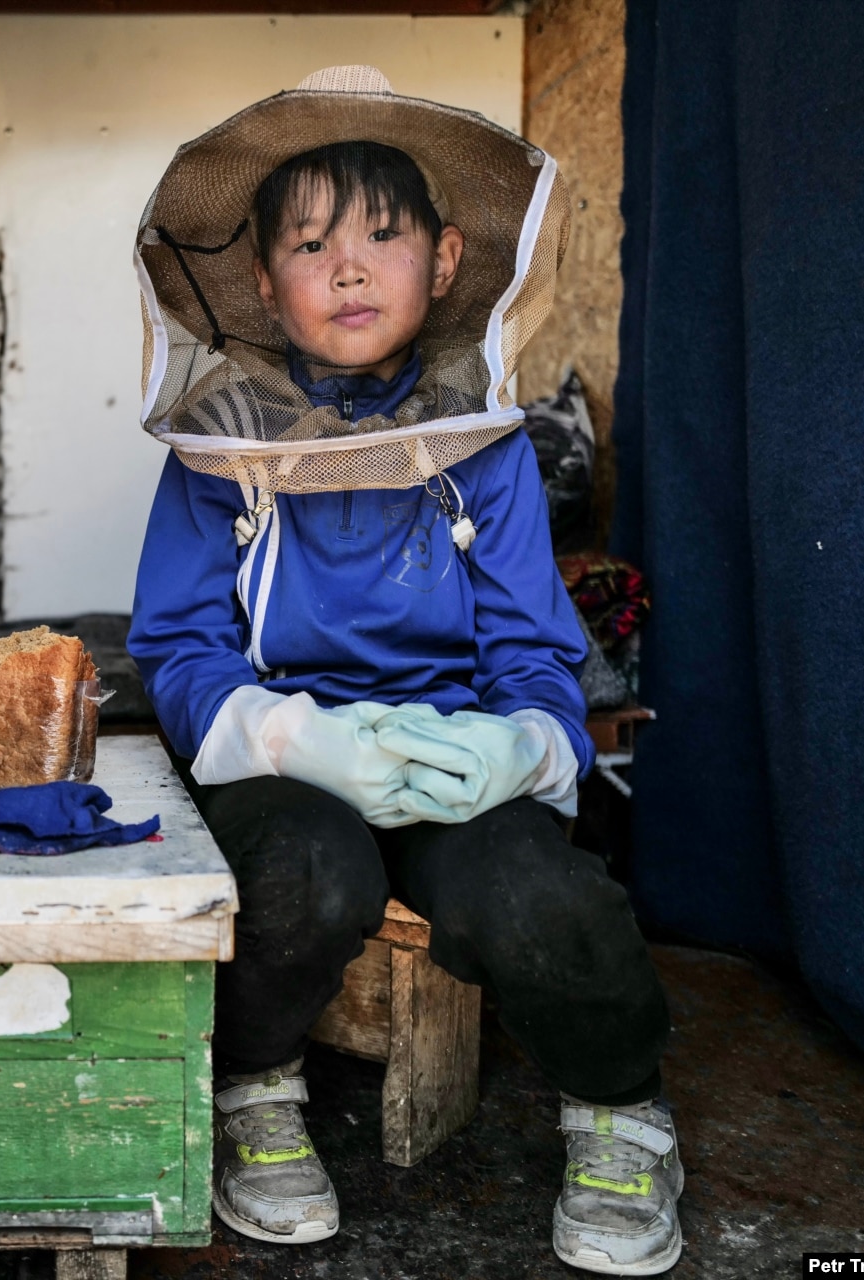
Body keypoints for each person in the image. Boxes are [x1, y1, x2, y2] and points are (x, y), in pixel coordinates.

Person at [127, 67, 683, 1276]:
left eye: (381, 238)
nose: (345, 267)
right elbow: (175, 650)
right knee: (302, 873)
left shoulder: (482, 451)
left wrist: (519, 747)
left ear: (441, 261)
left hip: (454, 754)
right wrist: (284, 738)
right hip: (288, 757)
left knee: (540, 895)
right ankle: (254, 1087)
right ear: (260, 282)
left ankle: (621, 1108)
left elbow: (537, 658)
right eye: (309, 243)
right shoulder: (217, 450)